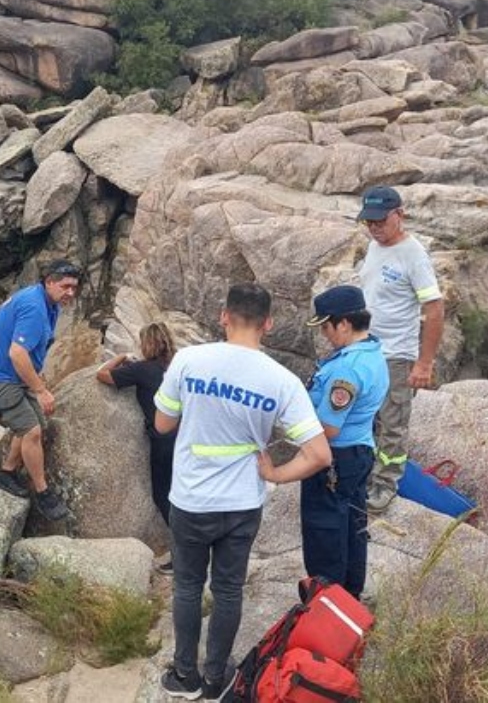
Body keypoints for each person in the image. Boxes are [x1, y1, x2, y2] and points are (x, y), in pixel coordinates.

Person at [155, 283, 331, 700]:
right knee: (229, 589)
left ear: (224, 317)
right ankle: (216, 678)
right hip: (242, 503)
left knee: (186, 585)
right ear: (268, 324)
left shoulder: (188, 360)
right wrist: (276, 474)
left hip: (191, 499)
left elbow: (163, 424)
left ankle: (185, 677)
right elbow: (319, 454)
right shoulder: (281, 380)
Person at [263, 285, 387, 598]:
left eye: (326, 327)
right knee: (352, 529)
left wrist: (284, 425)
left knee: (324, 532)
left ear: (343, 323)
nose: (325, 334)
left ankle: (324, 604)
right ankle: (349, 599)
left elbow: (328, 428)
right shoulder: (373, 353)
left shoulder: (347, 368)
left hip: (334, 460)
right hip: (359, 452)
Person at [356, 186, 445, 512]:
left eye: (380, 221)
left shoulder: (413, 254)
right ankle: (362, 476)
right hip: (365, 349)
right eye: (369, 222)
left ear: (399, 215)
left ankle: (385, 485)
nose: (375, 228)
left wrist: (424, 362)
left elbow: (434, 309)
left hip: (396, 354)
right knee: (363, 418)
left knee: (392, 424)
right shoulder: (374, 247)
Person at [0, 260, 81, 522]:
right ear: (49, 282)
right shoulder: (34, 307)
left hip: (11, 373)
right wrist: (41, 390)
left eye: (74, 288)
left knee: (36, 423)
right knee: (31, 431)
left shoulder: (46, 302)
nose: (70, 292)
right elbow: (17, 353)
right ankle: (43, 492)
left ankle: (6, 473)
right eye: (65, 286)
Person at [95, 322, 177, 573]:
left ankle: (182, 555)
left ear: (147, 344)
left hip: (163, 440)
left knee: (164, 497)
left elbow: (102, 374)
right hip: (186, 438)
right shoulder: (175, 367)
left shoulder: (142, 370)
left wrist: (120, 357)